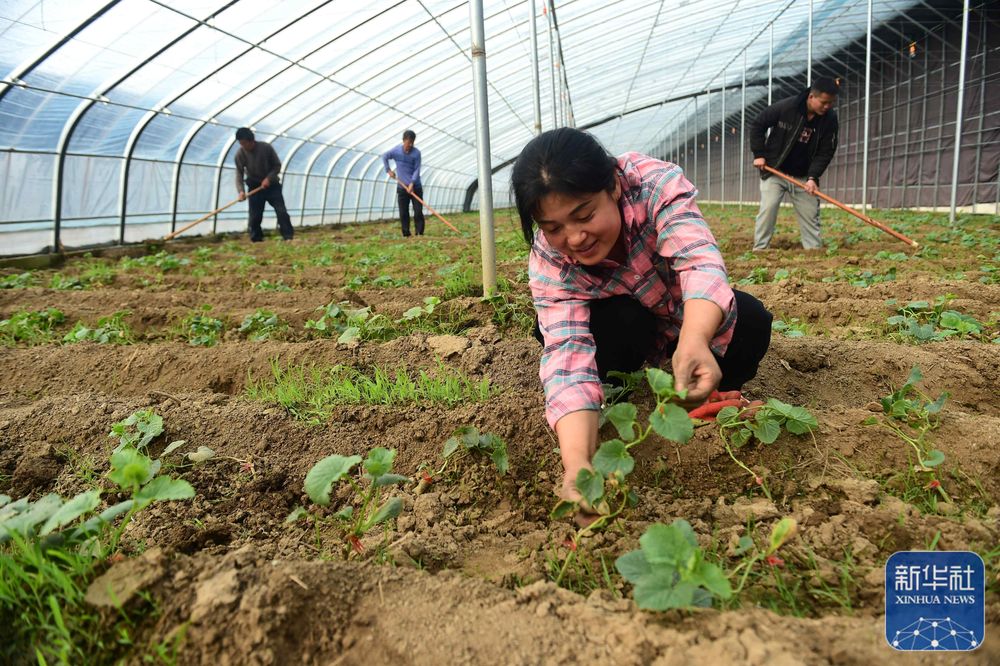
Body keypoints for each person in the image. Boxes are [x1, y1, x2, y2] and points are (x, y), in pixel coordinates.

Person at [512, 128, 772, 520]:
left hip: (680, 318)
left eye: (584, 215)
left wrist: (695, 339)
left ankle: (700, 389)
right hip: (623, 330)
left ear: (614, 186)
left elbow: (699, 262)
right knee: (620, 320)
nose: (575, 237)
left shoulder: (652, 185)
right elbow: (568, 357)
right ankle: (618, 393)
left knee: (749, 320)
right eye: (554, 227)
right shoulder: (551, 259)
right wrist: (578, 466)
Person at [749, 77, 840, 250]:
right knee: (768, 209)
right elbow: (758, 124)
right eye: (824, 102)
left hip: (803, 177)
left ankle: (813, 251)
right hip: (775, 170)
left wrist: (813, 177)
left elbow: (826, 151)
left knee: (810, 214)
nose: (827, 106)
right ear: (811, 97)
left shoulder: (830, 119)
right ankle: (760, 249)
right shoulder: (787, 107)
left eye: (831, 103)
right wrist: (759, 154)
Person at [234, 127, 294, 242]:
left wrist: (268, 179)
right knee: (255, 215)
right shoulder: (240, 154)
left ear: (251, 140)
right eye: (240, 143)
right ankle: (256, 238)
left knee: (281, 211)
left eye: (244, 143)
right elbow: (239, 174)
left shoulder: (266, 148)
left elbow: (277, 166)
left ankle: (288, 236)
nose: (243, 146)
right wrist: (241, 191)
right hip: (254, 186)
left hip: (272, 186)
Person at [382, 130, 425, 237]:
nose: (410, 145)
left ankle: (419, 233)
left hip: (415, 187)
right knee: (403, 212)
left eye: (412, 143)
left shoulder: (416, 153)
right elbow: (385, 156)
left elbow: (417, 169)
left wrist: (412, 183)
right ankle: (406, 234)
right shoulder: (396, 151)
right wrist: (388, 170)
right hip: (402, 187)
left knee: (418, 211)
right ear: (403, 140)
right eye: (408, 142)